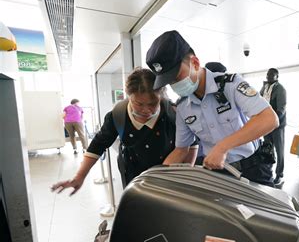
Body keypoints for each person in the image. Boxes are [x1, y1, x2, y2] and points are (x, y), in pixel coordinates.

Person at [146, 30, 279, 187]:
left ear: (195, 63)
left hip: (253, 169)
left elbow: (269, 119)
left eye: (177, 77)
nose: (175, 85)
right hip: (219, 175)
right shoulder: (183, 107)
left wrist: (223, 147)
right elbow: (181, 149)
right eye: (170, 82)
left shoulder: (231, 84)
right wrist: (158, 177)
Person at [51, 67, 196, 195]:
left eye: (152, 104)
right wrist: (79, 177)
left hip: (169, 174)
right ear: (128, 95)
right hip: (133, 173)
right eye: (138, 104)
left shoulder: (173, 113)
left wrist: (185, 175)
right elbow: (97, 146)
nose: (146, 110)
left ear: (161, 96)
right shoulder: (118, 115)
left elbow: (192, 143)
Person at [260, 68, 286, 188]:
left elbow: (281, 109)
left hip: (277, 125)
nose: (269, 76)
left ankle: (279, 174)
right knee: (268, 148)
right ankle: (268, 170)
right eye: (268, 74)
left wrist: (274, 120)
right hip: (266, 124)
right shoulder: (264, 88)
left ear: (277, 76)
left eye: (272, 75)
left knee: (279, 150)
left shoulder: (280, 89)